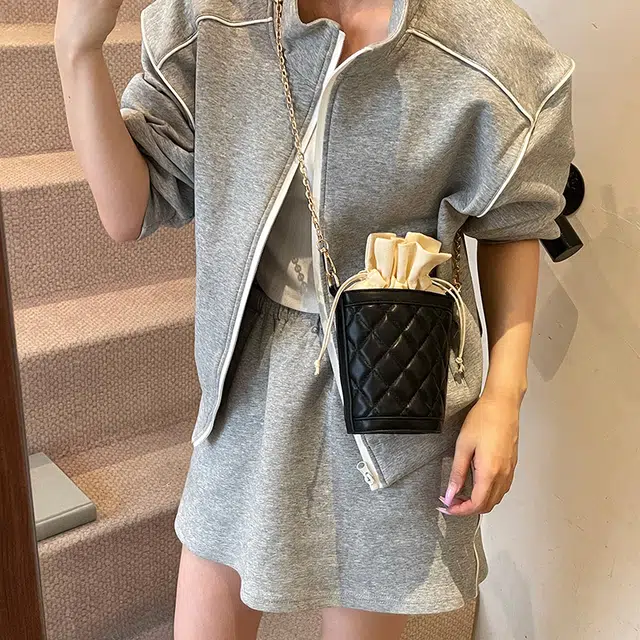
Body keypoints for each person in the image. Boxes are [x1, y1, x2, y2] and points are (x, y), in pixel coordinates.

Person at [54, 0, 574, 637]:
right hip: (252, 375)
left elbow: (514, 221)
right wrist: (77, 47)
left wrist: (503, 396)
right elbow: (128, 210)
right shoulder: (215, 16)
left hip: (391, 379)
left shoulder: (481, 39)